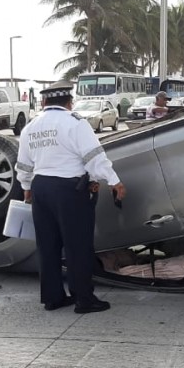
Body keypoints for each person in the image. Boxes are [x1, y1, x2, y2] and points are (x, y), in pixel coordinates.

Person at [16, 81, 126, 314]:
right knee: (77, 245)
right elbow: (94, 156)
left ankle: (52, 298)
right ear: (69, 102)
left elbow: (24, 164)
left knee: (47, 245)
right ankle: (84, 299)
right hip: (69, 190)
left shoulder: (31, 127)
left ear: (45, 102)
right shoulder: (76, 123)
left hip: (41, 188)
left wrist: (26, 187)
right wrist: (114, 181)